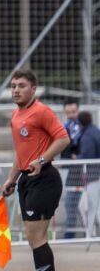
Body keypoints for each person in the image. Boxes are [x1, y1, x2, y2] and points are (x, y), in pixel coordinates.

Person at [0, 69, 71, 271]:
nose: (16, 90)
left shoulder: (41, 111)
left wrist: (41, 160)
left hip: (45, 178)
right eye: (13, 86)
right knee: (33, 237)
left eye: (21, 85)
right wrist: (12, 178)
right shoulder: (16, 115)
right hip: (27, 180)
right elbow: (21, 154)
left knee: (36, 235)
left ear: (33, 89)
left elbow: (63, 139)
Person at [61, 101, 83, 238]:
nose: (71, 115)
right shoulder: (65, 127)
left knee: (72, 201)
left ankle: (70, 231)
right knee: (71, 201)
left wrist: (79, 156)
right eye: (68, 112)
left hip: (80, 169)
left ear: (78, 111)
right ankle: (73, 229)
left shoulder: (83, 128)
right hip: (70, 168)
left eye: (73, 112)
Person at [75, 111, 100, 234]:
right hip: (96, 175)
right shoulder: (96, 131)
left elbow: (87, 156)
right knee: (94, 207)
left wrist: (76, 158)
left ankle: (90, 235)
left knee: (89, 208)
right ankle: (91, 235)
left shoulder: (87, 136)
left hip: (93, 176)